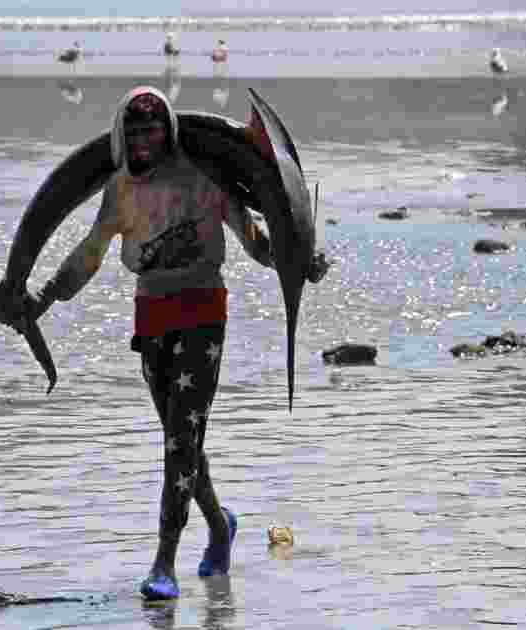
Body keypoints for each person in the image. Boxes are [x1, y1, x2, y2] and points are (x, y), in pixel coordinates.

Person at [30, 86, 330, 600]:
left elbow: (258, 244)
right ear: (122, 139)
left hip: (203, 315)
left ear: (169, 131)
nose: (145, 138)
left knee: (180, 443)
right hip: (150, 320)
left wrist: (302, 261)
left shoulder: (206, 177)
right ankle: (220, 524)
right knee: (184, 439)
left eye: (153, 128)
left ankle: (164, 560)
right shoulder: (121, 189)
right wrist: (45, 296)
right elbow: (91, 252)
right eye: (135, 131)